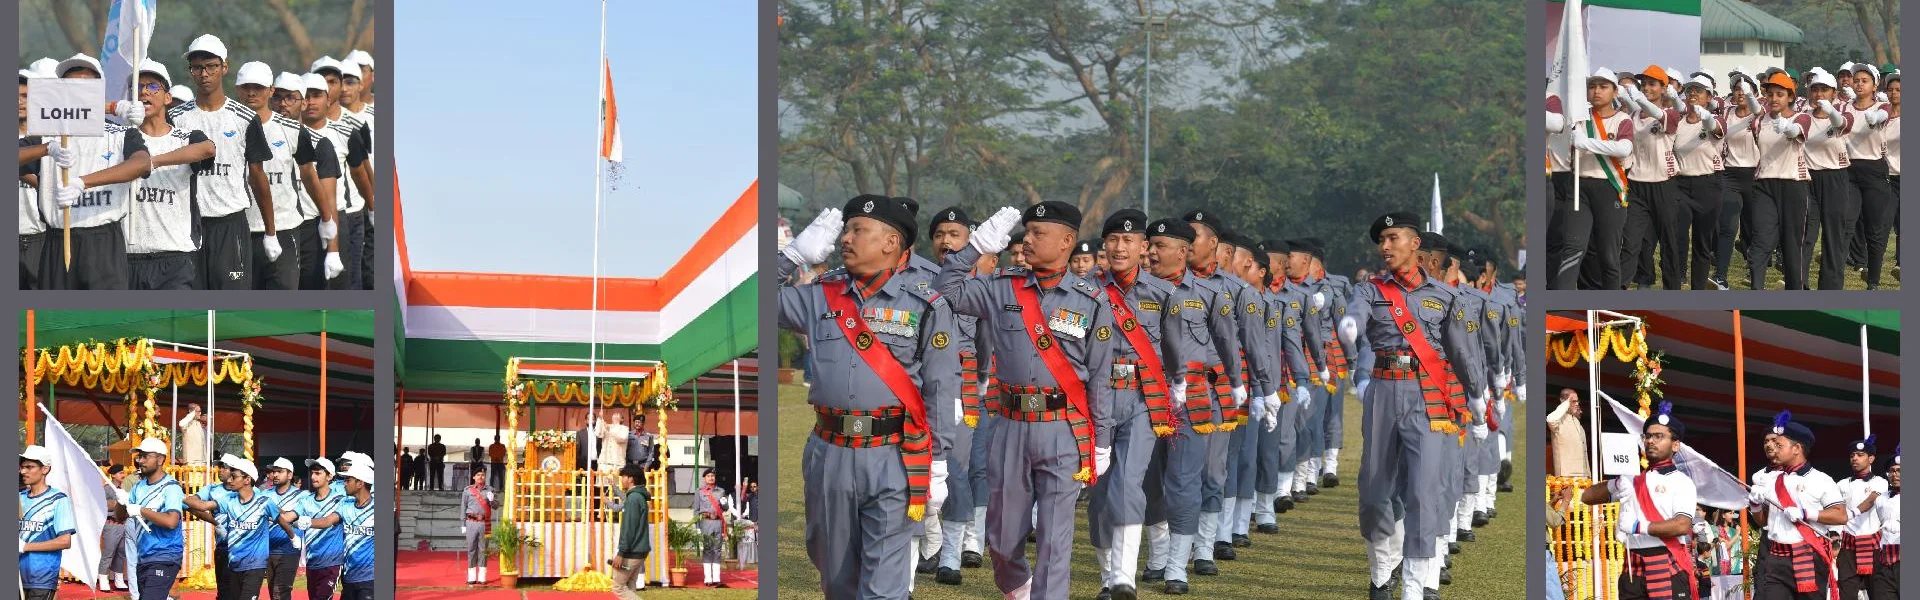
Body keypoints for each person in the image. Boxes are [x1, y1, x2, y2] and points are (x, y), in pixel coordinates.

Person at [780, 196, 957, 600]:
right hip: (829, 453)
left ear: (891, 242)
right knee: (837, 579)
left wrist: (940, 462)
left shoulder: (926, 304)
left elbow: (940, 387)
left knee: (884, 588)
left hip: (894, 454)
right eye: (846, 229)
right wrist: (790, 256)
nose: (846, 238)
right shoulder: (819, 295)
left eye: (858, 229)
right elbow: (752, 299)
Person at [937, 201, 1115, 600]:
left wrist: (1101, 441)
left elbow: (1101, 378)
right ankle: (1017, 586)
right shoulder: (1002, 286)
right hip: (1010, 426)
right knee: (1001, 538)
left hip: (1063, 430)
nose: (1027, 241)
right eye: (1027, 231)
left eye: (1038, 233)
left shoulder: (1093, 301)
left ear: (1068, 240)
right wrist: (976, 246)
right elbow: (946, 289)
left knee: (1054, 539)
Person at [1340, 211, 1490, 599]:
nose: (1385, 246)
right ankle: (1382, 566)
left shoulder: (1446, 296)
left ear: (1414, 243)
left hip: (1429, 397)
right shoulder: (1370, 289)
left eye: (1393, 238)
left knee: (1423, 492)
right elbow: (1356, 312)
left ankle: (1414, 585)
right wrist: (1350, 328)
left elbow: (1462, 351)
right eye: (1382, 240)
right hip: (1384, 391)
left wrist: (1476, 395)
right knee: (1374, 491)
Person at [1083, 209, 1180, 600]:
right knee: (1100, 494)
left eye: (1129, 241)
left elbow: (1172, 350)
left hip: (1142, 401)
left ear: (1144, 247)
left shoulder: (1162, 295)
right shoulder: (1083, 291)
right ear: (1105, 245)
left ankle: (1124, 578)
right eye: (1113, 240)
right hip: (1095, 401)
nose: (1120, 247)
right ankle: (1107, 576)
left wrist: (1179, 385)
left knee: (1127, 484)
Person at [38, 54, 153, 290]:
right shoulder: (45, 133)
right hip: (59, 241)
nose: (78, 93)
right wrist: (46, 149)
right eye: (71, 87)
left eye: (86, 87)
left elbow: (141, 164)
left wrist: (82, 182)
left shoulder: (120, 133)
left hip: (103, 243)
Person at [168, 35, 274, 290]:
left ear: (224, 67)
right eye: (197, 67)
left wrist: (271, 232)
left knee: (232, 304)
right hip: (188, 226)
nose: (204, 73)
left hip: (230, 225)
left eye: (211, 66)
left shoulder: (245, 118)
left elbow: (257, 176)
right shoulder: (175, 117)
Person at [1575, 403, 1698, 600]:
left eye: (1659, 436)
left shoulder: (1682, 482)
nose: (1651, 441)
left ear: (1675, 445)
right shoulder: (1631, 480)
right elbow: (1587, 497)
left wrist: (1637, 525)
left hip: (1666, 561)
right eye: (1648, 436)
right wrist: (1616, 483)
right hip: (1633, 565)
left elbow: (1682, 525)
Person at [126, 59, 217, 290]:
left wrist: (151, 162)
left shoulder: (187, 137)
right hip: (129, 256)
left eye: (153, 86)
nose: (144, 91)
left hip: (174, 257)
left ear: (168, 97)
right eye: (137, 87)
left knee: (174, 325)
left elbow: (207, 149)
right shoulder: (120, 139)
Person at [1546, 68, 1635, 290]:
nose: (1596, 91)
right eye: (1592, 86)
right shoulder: (1578, 119)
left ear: (1615, 92)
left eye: (1603, 87)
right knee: (1573, 248)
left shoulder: (1623, 120)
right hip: (1578, 188)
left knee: (1608, 254)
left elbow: (1624, 149)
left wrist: (1586, 143)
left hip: (1609, 189)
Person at [1748, 411, 1848, 599]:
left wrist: (1805, 513)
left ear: (1796, 448)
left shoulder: (1821, 479)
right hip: (1776, 556)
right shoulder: (1771, 480)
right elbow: (1762, 522)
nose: (1773, 449)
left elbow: (1840, 515)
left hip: (1808, 555)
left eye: (1779, 445)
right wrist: (1754, 504)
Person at [296, 67, 370, 290]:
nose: (310, 102)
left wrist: (374, 208)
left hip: (338, 218)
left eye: (317, 95)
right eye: (306, 96)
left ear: (328, 99)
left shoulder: (347, 133)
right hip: (299, 223)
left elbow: (360, 173)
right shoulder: (287, 134)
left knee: (341, 289)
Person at [19, 445, 75, 600]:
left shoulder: (58, 499)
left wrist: (25, 546)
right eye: (22, 467)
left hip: (42, 579)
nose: (23, 471)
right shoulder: (19, 497)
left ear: (45, 469)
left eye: (29, 467)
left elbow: (65, 541)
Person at [1838, 436, 1890, 600]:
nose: (1854, 458)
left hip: (1873, 543)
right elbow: (1836, 511)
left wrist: (1853, 513)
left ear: (1871, 458)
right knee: (1846, 591)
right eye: (1852, 455)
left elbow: (1871, 500)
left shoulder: (1880, 482)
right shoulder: (1842, 484)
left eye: (1860, 455)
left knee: (1877, 592)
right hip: (1848, 544)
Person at [299, 457, 349, 599]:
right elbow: (290, 516)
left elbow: (328, 521)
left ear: (329, 476)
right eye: (312, 473)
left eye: (318, 473)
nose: (313, 476)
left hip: (332, 562)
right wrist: (272, 512)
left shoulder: (340, 499)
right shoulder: (306, 500)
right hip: (312, 561)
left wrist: (308, 521)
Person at [261, 458, 306, 600]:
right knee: (273, 593)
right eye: (274, 471)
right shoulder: (265, 494)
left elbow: (287, 518)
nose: (275, 475)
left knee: (280, 592)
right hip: (268, 549)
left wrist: (271, 508)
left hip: (289, 549)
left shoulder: (302, 496)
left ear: (290, 475)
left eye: (280, 471)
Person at [334, 463, 378, 600]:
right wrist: (305, 522)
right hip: (348, 577)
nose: (344, 484)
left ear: (360, 483)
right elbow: (328, 520)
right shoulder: (345, 505)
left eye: (348, 480)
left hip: (370, 578)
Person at [612, 463, 654, 600]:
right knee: (630, 586)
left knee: (618, 587)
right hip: (639, 550)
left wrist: (621, 552)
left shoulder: (633, 498)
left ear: (631, 479)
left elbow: (629, 528)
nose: (622, 479)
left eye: (623, 476)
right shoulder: (639, 497)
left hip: (631, 552)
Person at [98, 464, 131, 591]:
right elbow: (102, 505)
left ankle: (118, 580)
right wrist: (117, 503)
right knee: (108, 553)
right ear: (113, 475)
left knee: (121, 553)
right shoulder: (107, 489)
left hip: (123, 524)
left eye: (123, 472)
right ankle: (103, 579)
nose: (123, 475)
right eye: (120, 473)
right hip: (111, 523)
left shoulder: (122, 489)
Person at [1872, 446, 1899, 599]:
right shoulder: (1881, 499)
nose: (1895, 475)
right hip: (1886, 560)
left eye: (1900, 470)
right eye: (1892, 471)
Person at [697, 469, 730, 587]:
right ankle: (708, 578)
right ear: (705, 478)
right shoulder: (700, 492)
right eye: (708, 476)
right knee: (707, 549)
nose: (711, 478)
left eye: (712, 476)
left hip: (717, 523)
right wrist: (697, 527)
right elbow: (696, 510)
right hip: (706, 522)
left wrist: (725, 503)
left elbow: (725, 508)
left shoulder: (721, 491)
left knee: (717, 550)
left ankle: (716, 577)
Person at [462, 469, 495, 585]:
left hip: (484, 524)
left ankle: (482, 577)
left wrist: (492, 500)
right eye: (478, 475)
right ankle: (471, 577)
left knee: (483, 550)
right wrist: (463, 524)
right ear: (474, 477)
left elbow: (496, 506)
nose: (480, 477)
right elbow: (463, 507)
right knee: (471, 549)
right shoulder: (467, 491)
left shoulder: (490, 490)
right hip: (471, 523)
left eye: (482, 475)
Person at [1547, 389, 1589, 477]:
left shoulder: (1577, 423)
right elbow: (1550, 419)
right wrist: (1566, 403)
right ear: (1564, 402)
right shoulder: (1558, 420)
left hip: (1584, 474)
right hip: (1567, 475)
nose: (1577, 404)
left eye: (1577, 401)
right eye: (1573, 401)